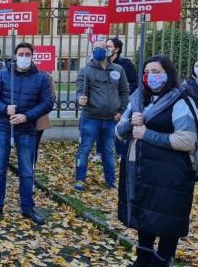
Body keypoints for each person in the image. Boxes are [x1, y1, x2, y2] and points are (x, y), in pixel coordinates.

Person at [115, 56, 196, 266]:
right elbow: (119, 131)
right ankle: (143, 258)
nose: (151, 76)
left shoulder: (181, 100)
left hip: (171, 174)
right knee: (145, 215)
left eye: (157, 71)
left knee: (167, 218)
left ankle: (162, 260)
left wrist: (147, 134)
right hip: (143, 171)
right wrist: (131, 125)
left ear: (168, 73)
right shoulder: (138, 99)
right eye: (147, 72)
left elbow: (186, 140)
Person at [0, 42, 53, 225]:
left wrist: (27, 116)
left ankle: (28, 207)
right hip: (3, 128)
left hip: (27, 129)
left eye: (27, 54)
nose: (24, 57)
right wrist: (6, 109)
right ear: (15, 56)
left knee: (27, 170)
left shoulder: (41, 78)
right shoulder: (2, 76)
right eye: (21, 53)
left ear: (32, 56)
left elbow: (48, 103)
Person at [74, 40, 130, 191]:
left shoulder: (118, 69)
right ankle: (79, 180)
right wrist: (81, 99)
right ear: (92, 50)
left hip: (112, 119)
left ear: (108, 50)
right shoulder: (85, 70)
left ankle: (111, 182)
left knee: (109, 151)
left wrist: (122, 111)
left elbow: (124, 91)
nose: (99, 50)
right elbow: (80, 91)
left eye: (102, 48)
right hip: (91, 118)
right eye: (95, 48)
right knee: (85, 149)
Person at [34, 72, 56, 164]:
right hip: (21, 118)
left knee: (33, 146)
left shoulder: (46, 77)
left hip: (39, 118)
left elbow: (52, 97)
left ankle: (31, 169)